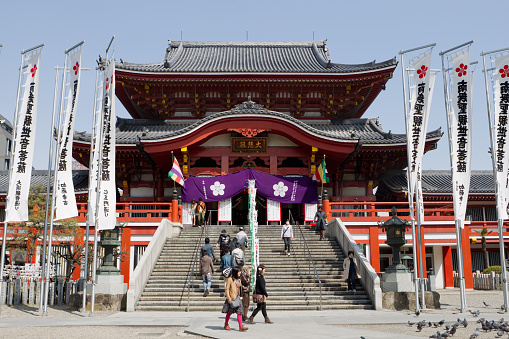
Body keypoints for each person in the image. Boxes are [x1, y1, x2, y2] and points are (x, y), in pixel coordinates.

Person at [222, 267, 248, 331]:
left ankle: (240, 326)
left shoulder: (239, 279)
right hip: (232, 298)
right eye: (239, 272)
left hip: (238, 298)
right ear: (235, 272)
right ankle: (226, 324)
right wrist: (228, 298)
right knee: (229, 312)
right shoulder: (230, 279)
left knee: (239, 312)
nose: (240, 273)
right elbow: (227, 289)